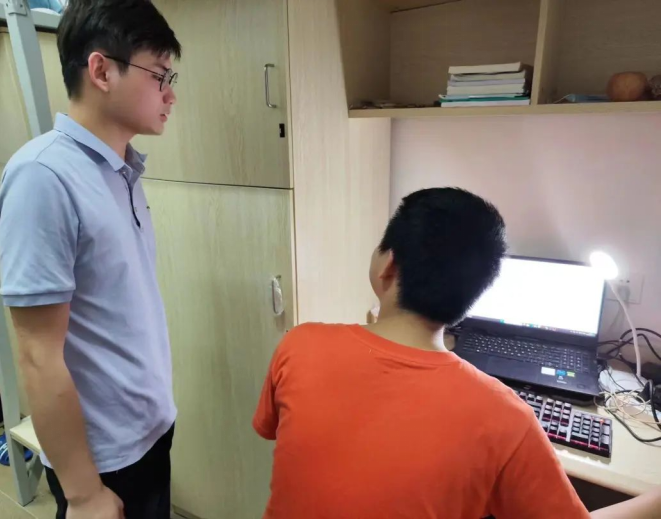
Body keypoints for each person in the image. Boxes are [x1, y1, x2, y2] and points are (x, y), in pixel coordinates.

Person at [253, 188, 661, 519]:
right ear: (473, 298)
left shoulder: (299, 344)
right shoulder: (506, 418)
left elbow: (277, 431)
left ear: (388, 264)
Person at [0, 1, 181, 518]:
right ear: (101, 70)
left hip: (149, 429)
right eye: (160, 75)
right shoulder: (43, 176)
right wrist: (83, 494)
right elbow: (37, 352)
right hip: (102, 462)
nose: (171, 94)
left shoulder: (121, 169)